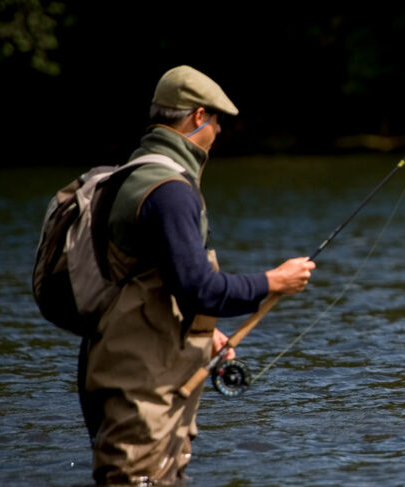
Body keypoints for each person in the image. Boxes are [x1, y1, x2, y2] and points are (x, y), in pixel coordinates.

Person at [78, 65, 316, 485]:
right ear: (197, 117)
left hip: (126, 365)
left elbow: (154, 281)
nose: (219, 131)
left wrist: (204, 335)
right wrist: (273, 282)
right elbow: (199, 289)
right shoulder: (168, 189)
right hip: (141, 383)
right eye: (217, 120)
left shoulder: (138, 173)